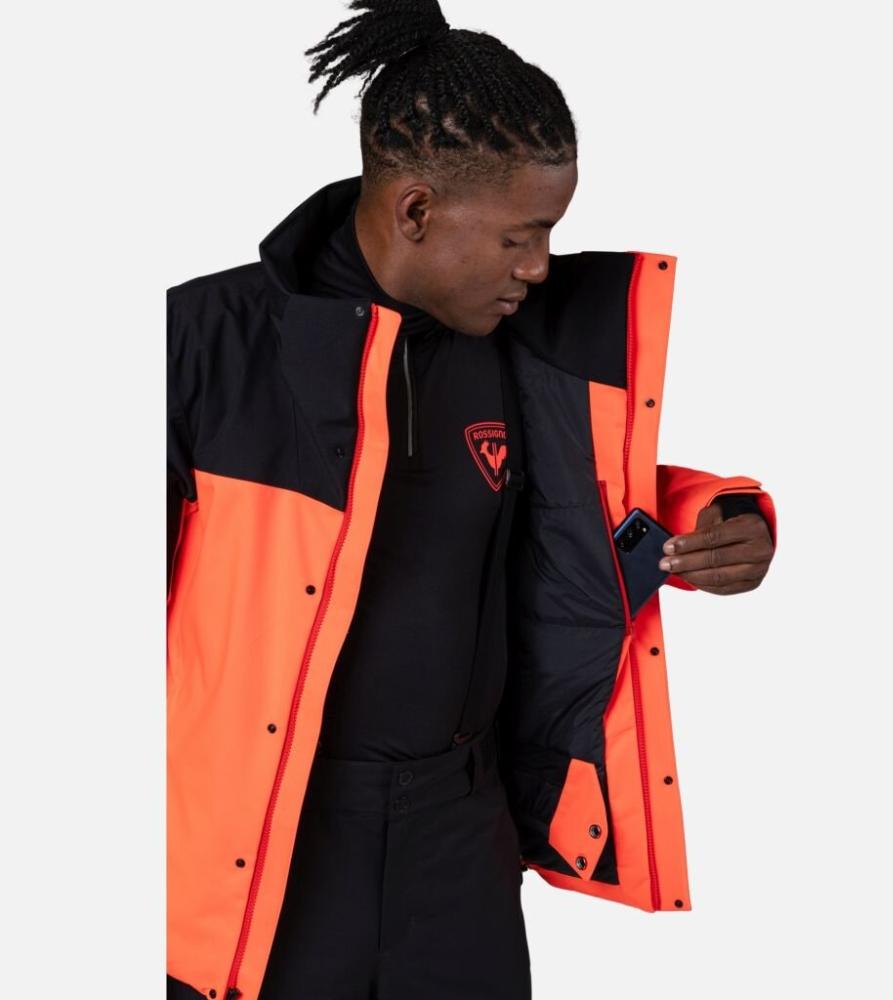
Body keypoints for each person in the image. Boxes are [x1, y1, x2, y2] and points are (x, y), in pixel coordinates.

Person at [166, 2, 777, 998]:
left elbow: (590, 491)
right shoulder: (197, 344)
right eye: (520, 236)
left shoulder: (521, 342)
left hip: (463, 840)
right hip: (265, 843)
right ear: (416, 210)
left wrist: (723, 513)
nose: (538, 267)